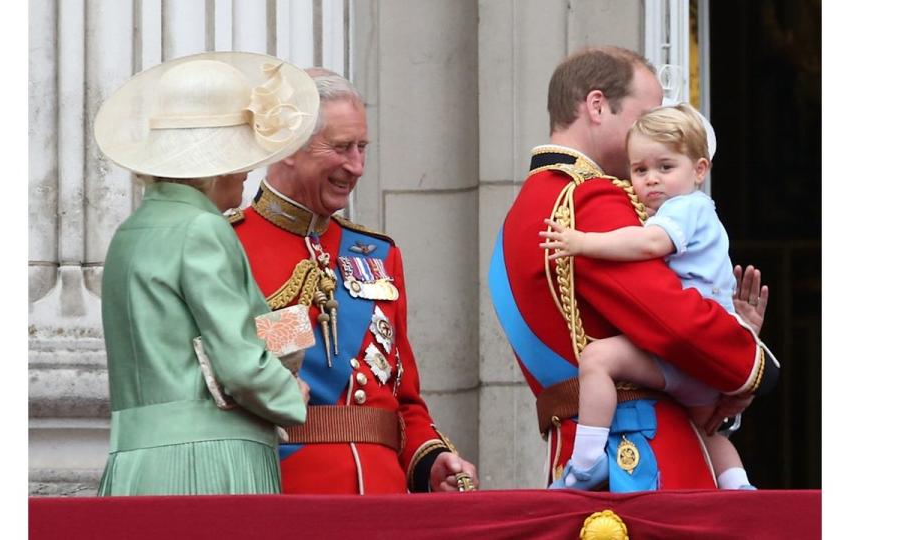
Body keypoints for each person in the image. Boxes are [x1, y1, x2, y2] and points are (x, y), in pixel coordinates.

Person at [488, 46, 779, 491]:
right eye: (646, 115)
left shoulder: (516, 217)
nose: (652, 131)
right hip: (642, 459)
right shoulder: (588, 199)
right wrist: (753, 363)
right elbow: (674, 323)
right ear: (598, 106)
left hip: (575, 448)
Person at [231, 68, 478, 494]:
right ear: (288, 146)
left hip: (384, 501)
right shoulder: (231, 245)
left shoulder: (379, 254)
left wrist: (432, 459)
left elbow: (404, 401)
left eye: (362, 147)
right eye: (342, 148)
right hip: (287, 496)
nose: (357, 166)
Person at [93, 51, 319, 495]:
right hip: (210, 460)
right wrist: (290, 390)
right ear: (215, 168)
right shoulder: (203, 229)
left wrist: (288, 330)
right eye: (240, 156)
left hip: (135, 463)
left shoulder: (129, 233)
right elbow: (239, 364)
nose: (250, 170)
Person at [538, 103, 772, 490]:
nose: (651, 180)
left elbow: (648, 244)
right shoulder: (687, 209)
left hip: (689, 349)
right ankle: (738, 487)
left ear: (699, 170)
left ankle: (586, 462)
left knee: (597, 358)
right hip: (699, 362)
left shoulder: (686, 208)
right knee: (709, 428)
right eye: (640, 170)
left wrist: (582, 241)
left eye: (665, 168)